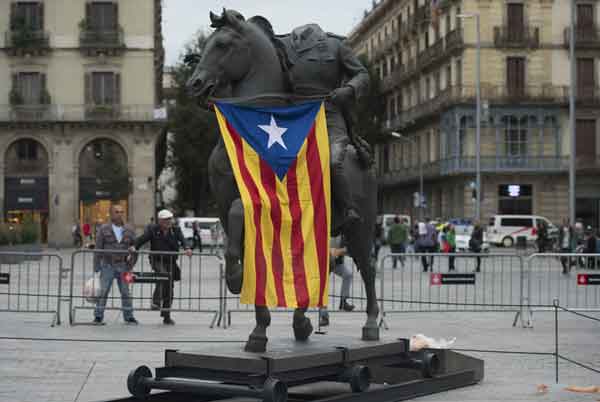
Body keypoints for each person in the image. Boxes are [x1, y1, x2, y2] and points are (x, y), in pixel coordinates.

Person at [279, 23, 369, 229]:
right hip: (294, 117)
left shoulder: (336, 45)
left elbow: (362, 74)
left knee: (333, 160)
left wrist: (348, 89)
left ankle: (347, 209)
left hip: (329, 116)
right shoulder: (283, 45)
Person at [130, 209, 192, 325]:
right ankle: (156, 301)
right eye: (166, 219)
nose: (169, 221)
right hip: (157, 260)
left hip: (171, 261)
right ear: (160, 221)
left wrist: (187, 248)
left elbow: (183, 240)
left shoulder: (176, 230)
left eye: (170, 219)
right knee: (163, 276)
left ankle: (166, 315)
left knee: (169, 288)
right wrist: (134, 246)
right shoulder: (153, 230)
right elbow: (142, 239)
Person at [93, 204, 138, 325]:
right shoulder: (103, 229)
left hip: (124, 266)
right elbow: (98, 248)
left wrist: (131, 264)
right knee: (103, 291)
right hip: (107, 265)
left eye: (121, 212)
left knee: (126, 292)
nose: (119, 214)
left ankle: (129, 316)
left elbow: (135, 247)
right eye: (116, 212)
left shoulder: (129, 229)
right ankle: (98, 316)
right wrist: (96, 267)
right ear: (111, 214)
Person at [318, 235, 354, 327]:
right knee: (323, 287)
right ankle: (324, 315)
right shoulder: (323, 231)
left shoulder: (343, 234)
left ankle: (343, 301)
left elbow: (348, 249)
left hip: (337, 263)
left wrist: (339, 251)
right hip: (323, 262)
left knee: (348, 275)